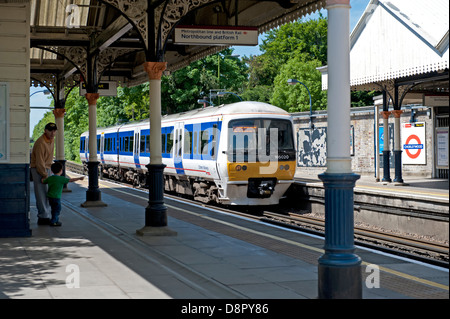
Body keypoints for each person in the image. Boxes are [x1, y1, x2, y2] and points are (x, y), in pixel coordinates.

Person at [30, 122, 58, 225]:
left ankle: (45, 215)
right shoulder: (41, 143)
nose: (52, 133)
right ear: (45, 131)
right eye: (50, 130)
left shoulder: (51, 140)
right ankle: (43, 217)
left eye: (54, 130)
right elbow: (39, 161)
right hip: (39, 170)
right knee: (41, 193)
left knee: (46, 193)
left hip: (47, 168)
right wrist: (44, 175)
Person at [42, 162, 84, 226]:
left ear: (52, 171)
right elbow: (71, 180)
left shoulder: (50, 178)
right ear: (61, 170)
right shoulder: (61, 179)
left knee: (53, 209)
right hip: (56, 197)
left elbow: (43, 181)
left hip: (50, 197)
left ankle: (54, 219)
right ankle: (54, 221)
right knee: (57, 209)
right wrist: (79, 178)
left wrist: (43, 176)